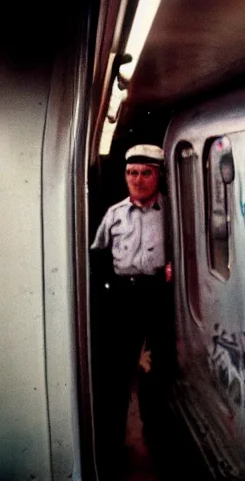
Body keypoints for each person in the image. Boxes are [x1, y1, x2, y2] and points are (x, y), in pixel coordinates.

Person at [90, 143, 173, 478]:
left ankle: (157, 443)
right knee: (115, 374)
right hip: (122, 299)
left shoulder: (171, 211)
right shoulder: (114, 214)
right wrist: (109, 288)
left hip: (157, 297)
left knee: (157, 372)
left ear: (158, 176)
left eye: (145, 173)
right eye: (131, 173)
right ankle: (111, 448)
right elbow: (97, 255)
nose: (137, 180)